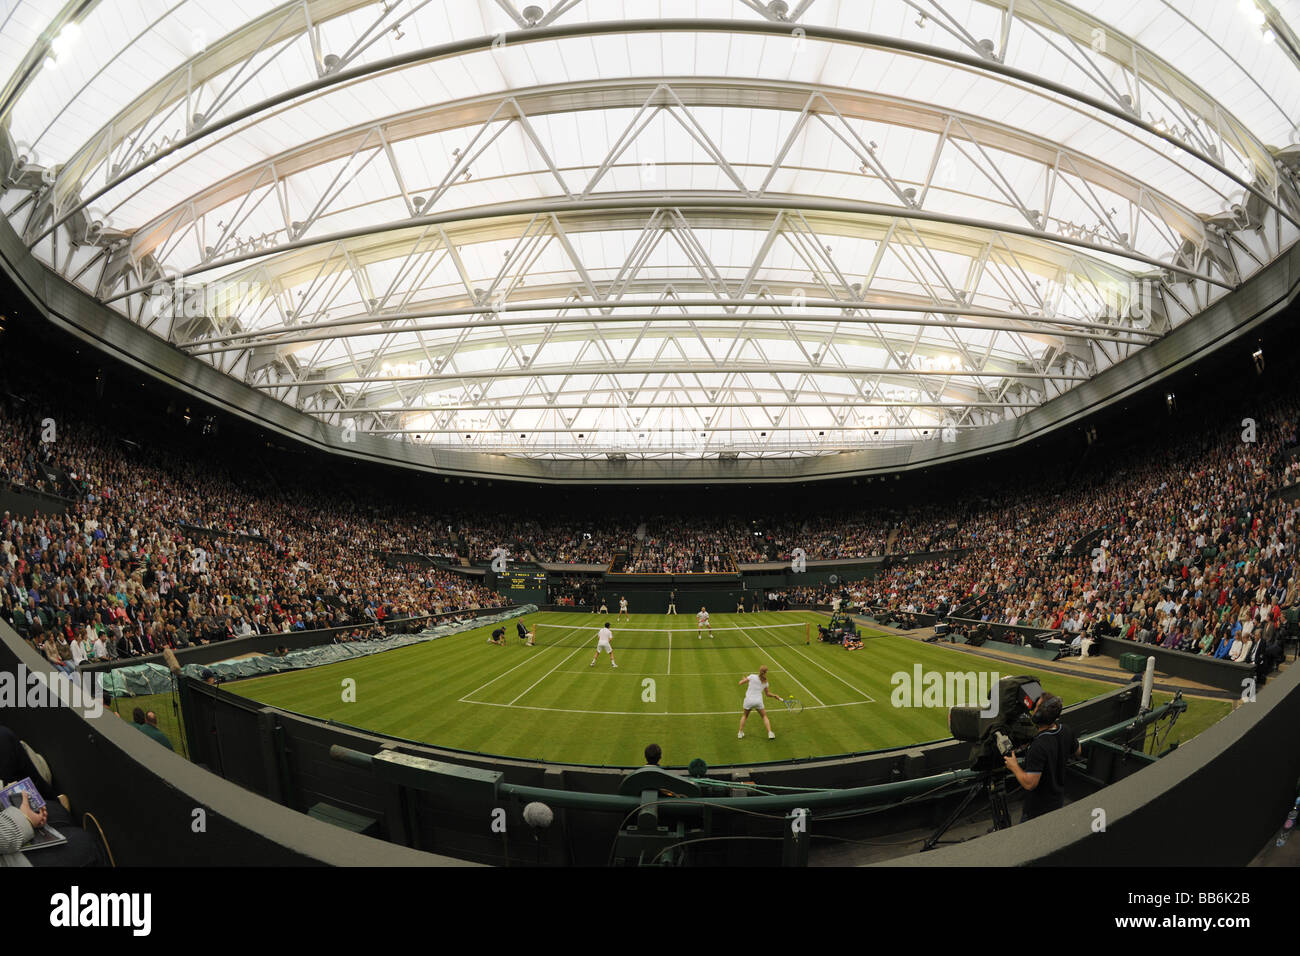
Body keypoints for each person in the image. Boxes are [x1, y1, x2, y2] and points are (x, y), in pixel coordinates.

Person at [1002, 694, 1080, 821]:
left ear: (1039, 715)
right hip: (1057, 801)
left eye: (1036, 707)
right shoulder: (1066, 730)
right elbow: (1077, 751)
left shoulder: (1039, 745)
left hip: (1037, 811)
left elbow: (1030, 783)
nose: (1032, 709)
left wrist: (1014, 766)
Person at [737, 665, 781, 739]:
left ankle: (740, 733)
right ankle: (770, 733)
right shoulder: (765, 682)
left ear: (759, 671)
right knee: (764, 716)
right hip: (758, 702)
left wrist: (745, 679)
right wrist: (774, 695)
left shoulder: (752, 676)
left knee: (745, 716)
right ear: (766, 673)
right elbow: (767, 694)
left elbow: (740, 683)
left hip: (748, 701)